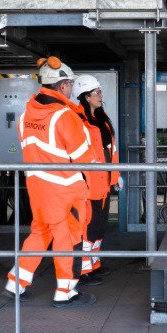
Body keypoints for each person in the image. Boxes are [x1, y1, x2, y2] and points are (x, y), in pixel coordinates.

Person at [3, 56, 96, 308]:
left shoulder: (26, 115)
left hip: (37, 187)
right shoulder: (65, 116)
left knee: (40, 232)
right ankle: (65, 292)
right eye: (70, 84)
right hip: (65, 189)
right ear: (63, 86)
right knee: (69, 236)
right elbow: (84, 159)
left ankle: (16, 282)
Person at [72, 75, 120, 285]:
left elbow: (111, 150)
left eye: (100, 92)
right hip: (88, 184)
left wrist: (116, 175)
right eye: (96, 93)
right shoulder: (77, 120)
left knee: (100, 226)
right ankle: (83, 271)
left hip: (105, 182)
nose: (100, 96)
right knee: (87, 227)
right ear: (85, 96)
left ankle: (94, 264)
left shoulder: (102, 119)